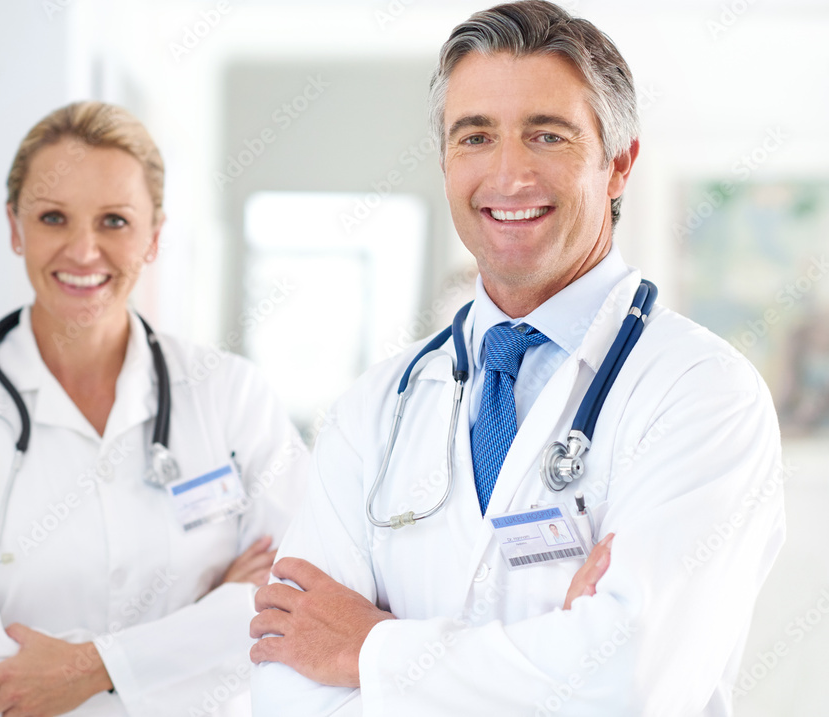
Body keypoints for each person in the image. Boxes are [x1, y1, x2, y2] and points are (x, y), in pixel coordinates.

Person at [248, 2, 785, 715]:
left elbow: (630, 681)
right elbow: (288, 686)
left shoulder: (702, 393)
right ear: (444, 160)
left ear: (619, 163)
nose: (508, 175)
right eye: (475, 136)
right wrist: (544, 661)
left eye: (547, 135)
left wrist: (367, 648)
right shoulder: (374, 409)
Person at [0, 101, 307, 717]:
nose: (82, 250)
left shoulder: (230, 394)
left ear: (154, 236)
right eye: (52, 217)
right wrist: (190, 640)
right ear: (15, 227)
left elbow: (293, 607)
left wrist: (88, 669)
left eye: (114, 221)